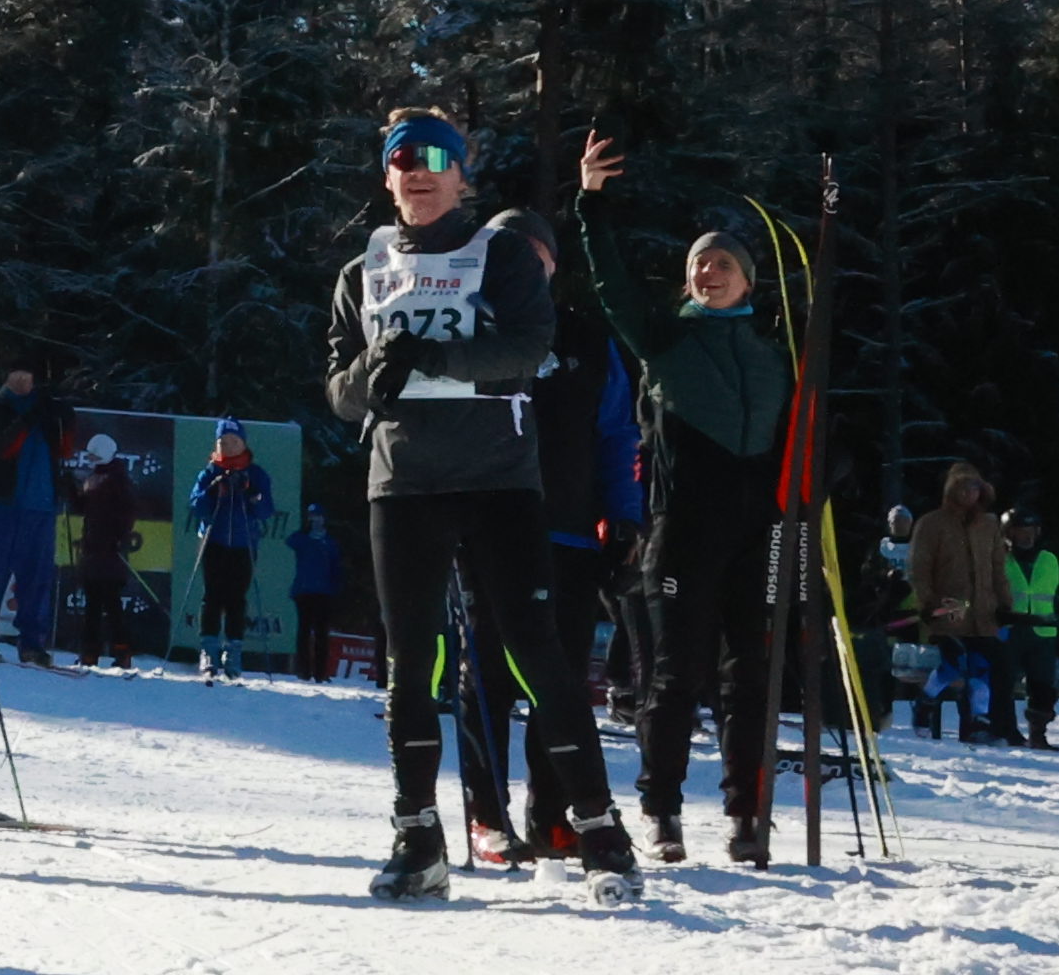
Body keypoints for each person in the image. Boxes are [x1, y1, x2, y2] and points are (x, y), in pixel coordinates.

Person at [328, 109, 637, 902]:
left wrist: (430, 355)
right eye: (404, 160)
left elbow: (525, 349)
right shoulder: (363, 269)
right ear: (387, 177)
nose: (419, 172)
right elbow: (340, 392)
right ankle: (417, 836)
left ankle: (600, 831)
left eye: (437, 159)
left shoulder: (500, 254)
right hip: (405, 484)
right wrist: (374, 373)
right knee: (412, 664)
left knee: (534, 655)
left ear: (463, 177)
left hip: (499, 481)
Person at [575, 140, 791, 866]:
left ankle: (746, 813)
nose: (708, 272)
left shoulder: (774, 354)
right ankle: (661, 811)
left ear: (748, 280)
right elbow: (612, 287)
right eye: (700, 264)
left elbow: (807, 435)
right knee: (675, 675)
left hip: (758, 535)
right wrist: (592, 205)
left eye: (723, 263)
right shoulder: (667, 339)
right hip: (683, 531)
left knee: (750, 676)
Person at [0, 364, 67, 665]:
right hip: (5, 505)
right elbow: (2, 448)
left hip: (42, 505)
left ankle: (32, 643)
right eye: (18, 375)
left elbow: (64, 449)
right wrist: (28, 418)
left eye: (29, 375)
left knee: (37, 578)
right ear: (7, 377)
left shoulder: (47, 409)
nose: (25, 381)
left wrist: (62, 418)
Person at [910, 465, 1007, 740]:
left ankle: (979, 718)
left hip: (983, 610)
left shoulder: (989, 525)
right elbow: (919, 567)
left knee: (980, 666)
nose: (969, 493)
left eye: (974, 487)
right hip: (949, 607)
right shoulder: (932, 523)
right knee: (952, 663)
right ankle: (926, 700)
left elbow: (998, 567)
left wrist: (1004, 603)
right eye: (963, 488)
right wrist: (927, 602)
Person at [189, 426, 272, 682]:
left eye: (234, 441)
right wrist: (213, 491)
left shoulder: (255, 473)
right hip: (213, 540)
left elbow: (267, 510)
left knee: (237, 599)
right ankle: (209, 652)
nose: (228, 446)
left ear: (243, 444)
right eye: (222, 442)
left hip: (243, 543)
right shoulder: (209, 472)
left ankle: (233, 652)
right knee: (212, 596)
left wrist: (252, 495)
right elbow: (196, 506)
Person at [69, 431, 146, 664]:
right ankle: (89, 652)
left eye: (94, 456)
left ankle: (122, 651)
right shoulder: (95, 478)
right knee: (92, 603)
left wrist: (117, 537)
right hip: (93, 550)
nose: (90, 460)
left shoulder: (117, 480)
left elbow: (127, 512)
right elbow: (84, 507)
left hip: (110, 552)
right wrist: (70, 489)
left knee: (112, 603)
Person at [1001, 495, 1059, 751]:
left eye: (1030, 531)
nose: (1026, 537)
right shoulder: (999, 559)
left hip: (1043, 630)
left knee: (1043, 687)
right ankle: (1007, 731)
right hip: (1010, 628)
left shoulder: (1049, 559)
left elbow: (1055, 593)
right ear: (1008, 533)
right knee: (1004, 682)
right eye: (1020, 531)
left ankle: (1038, 734)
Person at [288, 496, 345, 680]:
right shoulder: (302, 539)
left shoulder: (330, 543)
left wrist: (335, 587)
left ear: (324, 518)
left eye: (318, 516)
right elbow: (290, 541)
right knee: (303, 631)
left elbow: (336, 567)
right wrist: (304, 531)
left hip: (324, 592)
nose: (315, 520)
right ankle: (303, 670)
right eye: (311, 516)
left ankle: (321, 672)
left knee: (321, 633)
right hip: (304, 591)